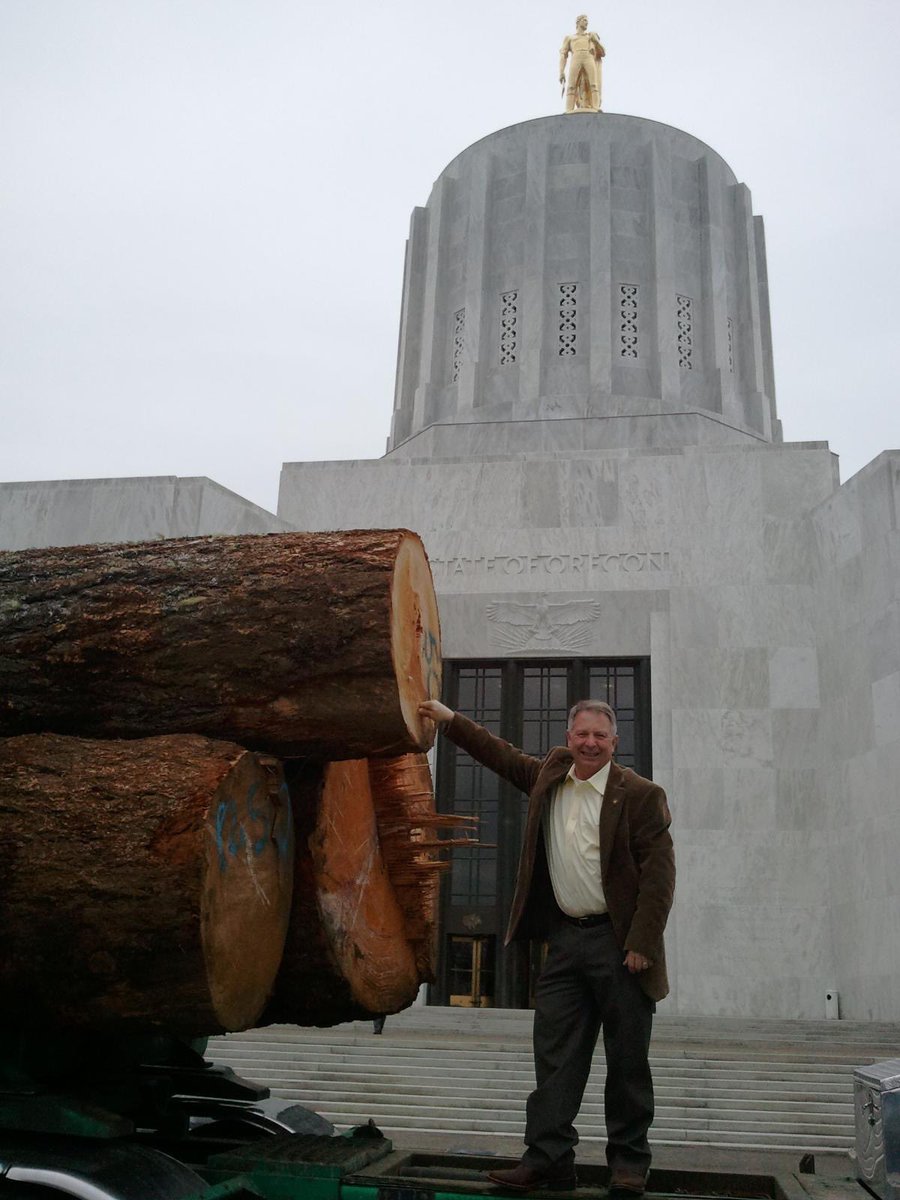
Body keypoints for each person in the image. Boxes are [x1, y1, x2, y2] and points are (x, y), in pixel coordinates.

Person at [418, 698, 674, 1196]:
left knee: (627, 1062)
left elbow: (659, 879)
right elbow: (499, 753)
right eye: (582, 734)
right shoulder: (549, 778)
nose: (590, 743)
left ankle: (627, 1164)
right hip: (566, 943)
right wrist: (450, 721)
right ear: (568, 736)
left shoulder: (640, 795)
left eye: (600, 736)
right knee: (555, 1057)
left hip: (621, 946)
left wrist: (643, 941)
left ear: (614, 743)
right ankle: (549, 1158)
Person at [559, 14, 605, 114]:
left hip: (588, 56)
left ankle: (595, 107)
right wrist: (561, 72)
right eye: (584, 20)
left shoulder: (590, 36)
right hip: (576, 57)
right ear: (578, 22)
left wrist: (595, 41)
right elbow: (563, 55)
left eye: (587, 21)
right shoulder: (570, 38)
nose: (586, 22)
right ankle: (569, 109)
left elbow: (603, 52)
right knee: (572, 85)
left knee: (593, 83)